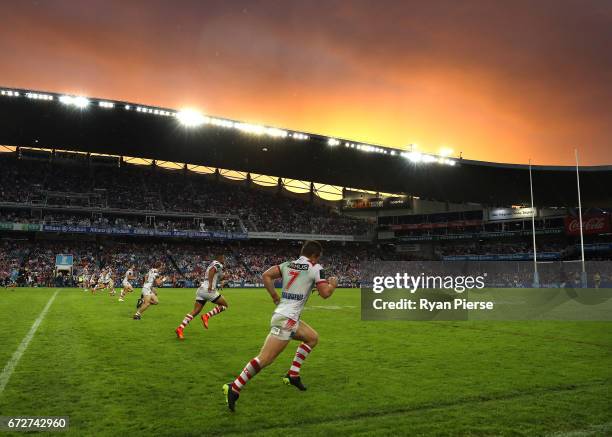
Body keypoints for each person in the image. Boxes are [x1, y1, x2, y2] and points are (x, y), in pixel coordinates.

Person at [223, 240, 337, 412]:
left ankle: (293, 375)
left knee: (312, 338)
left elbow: (266, 275)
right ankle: (235, 388)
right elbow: (326, 294)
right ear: (315, 256)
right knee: (265, 359)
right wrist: (333, 284)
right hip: (287, 320)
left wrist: (275, 297)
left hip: (286, 317)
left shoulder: (287, 264)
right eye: (317, 257)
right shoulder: (316, 268)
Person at [175, 255, 228, 339]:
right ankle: (207, 316)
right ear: (220, 258)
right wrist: (211, 284)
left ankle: (180, 328)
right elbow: (212, 271)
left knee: (196, 311)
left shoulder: (212, 263)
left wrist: (224, 278)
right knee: (224, 305)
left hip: (201, 289)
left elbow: (218, 276)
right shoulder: (218, 264)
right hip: (209, 290)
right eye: (223, 258)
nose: (224, 259)